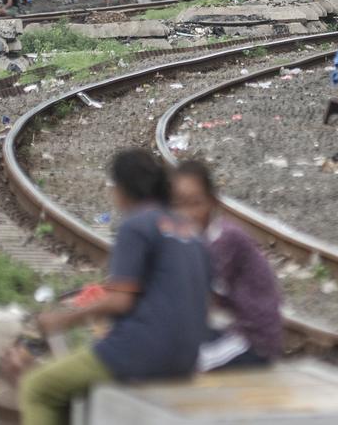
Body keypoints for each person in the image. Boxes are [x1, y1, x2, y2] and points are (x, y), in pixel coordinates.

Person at [19, 149, 211, 425]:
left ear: (121, 189)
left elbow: (120, 301)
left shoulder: (135, 227)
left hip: (141, 352)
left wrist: (61, 320)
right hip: (187, 355)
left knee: (39, 388)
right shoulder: (189, 230)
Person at [171, 161, 281, 372]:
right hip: (221, 330)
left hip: (249, 340)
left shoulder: (224, 238)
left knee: (175, 362)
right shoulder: (190, 239)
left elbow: (199, 300)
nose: (187, 213)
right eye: (178, 204)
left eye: (195, 203)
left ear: (212, 202)